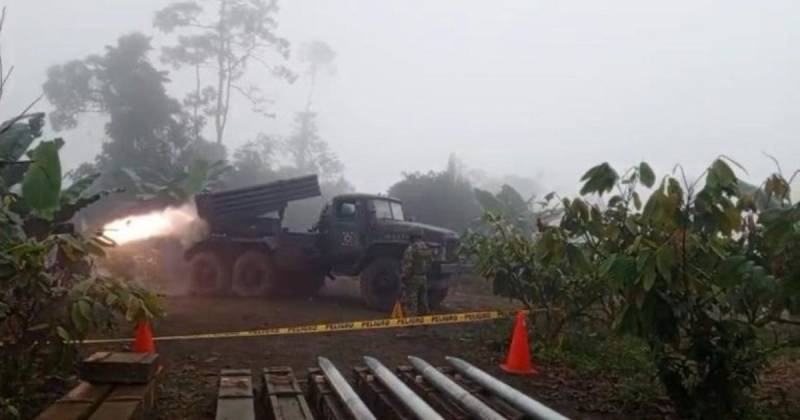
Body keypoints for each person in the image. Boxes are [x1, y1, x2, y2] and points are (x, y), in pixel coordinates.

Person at [400, 230, 433, 316]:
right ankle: (426, 319)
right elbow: (430, 262)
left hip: (413, 278)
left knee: (412, 300)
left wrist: (404, 276)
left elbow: (408, 264)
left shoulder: (411, 248)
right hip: (424, 277)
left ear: (412, 237)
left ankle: (412, 320)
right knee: (423, 299)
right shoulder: (426, 248)